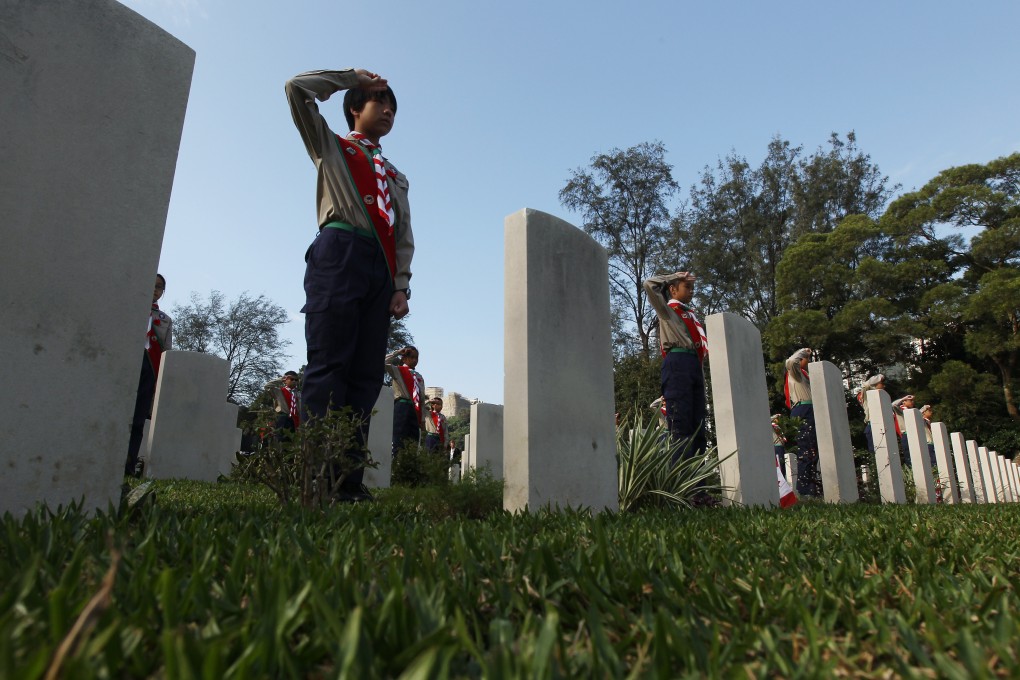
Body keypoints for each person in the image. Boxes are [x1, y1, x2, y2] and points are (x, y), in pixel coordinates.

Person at [286, 67, 413, 503]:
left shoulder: (395, 175)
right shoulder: (331, 146)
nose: (390, 110)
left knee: (363, 377)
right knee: (328, 368)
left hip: (380, 268)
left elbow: (403, 234)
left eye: (394, 105)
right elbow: (296, 89)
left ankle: (348, 483)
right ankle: (315, 478)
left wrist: (401, 285)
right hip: (339, 252)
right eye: (380, 101)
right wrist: (348, 77)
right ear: (355, 108)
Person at [642, 272, 708, 470]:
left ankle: (698, 486)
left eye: (692, 288)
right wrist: (672, 276)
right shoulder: (667, 310)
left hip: (694, 364)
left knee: (698, 425)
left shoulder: (690, 313)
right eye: (686, 287)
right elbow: (648, 284)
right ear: (673, 289)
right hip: (677, 362)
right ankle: (682, 481)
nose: (691, 291)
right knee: (681, 423)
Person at [126, 274, 172, 477]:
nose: (155, 289)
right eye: (152, 284)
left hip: (149, 369)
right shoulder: (127, 307)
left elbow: (166, 351)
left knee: (137, 420)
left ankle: (127, 465)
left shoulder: (164, 320)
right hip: (127, 364)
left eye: (159, 287)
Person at [784, 348, 820, 497]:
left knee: (813, 451)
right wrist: (801, 352)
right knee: (805, 450)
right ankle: (805, 489)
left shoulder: (804, 375)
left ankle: (812, 487)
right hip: (803, 409)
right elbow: (790, 361)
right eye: (807, 358)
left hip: (810, 410)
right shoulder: (795, 373)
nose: (809, 361)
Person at [385, 346, 425, 457]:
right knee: (398, 438)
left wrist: (422, 420)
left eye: (416, 357)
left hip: (414, 409)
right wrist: (398, 352)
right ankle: (396, 464)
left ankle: (409, 466)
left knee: (413, 441)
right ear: (404, 358)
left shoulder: (419, 376)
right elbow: (383, 361)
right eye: (411, 357)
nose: (414, 360)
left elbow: (421, 399)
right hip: (401, 406)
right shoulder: (398, 370)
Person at [265, 370, 302, 435]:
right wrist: (281, 379)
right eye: (292, 379)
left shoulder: (298, 394)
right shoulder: (279, 391)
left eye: (296, 380)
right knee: (282, 440)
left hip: (295, 420)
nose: (294, 381)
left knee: (294, 442)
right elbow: (267, 386)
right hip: (283, 418)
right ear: (286, 380)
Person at [856, 373, 885, 454]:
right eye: (881, 383)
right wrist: (880, 377)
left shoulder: (879, 396)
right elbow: (865, 385)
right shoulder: (866, 396)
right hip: (872, 425)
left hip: (880, 425)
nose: (884, 386)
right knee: (877, 453)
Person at [891, 394, 915, 466]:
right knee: (908, 455)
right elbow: (893, 405)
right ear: (904, 402)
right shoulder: (901, 409)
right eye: (910, 401)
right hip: (906, 434)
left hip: (913, 434)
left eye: (913, 401)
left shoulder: (912, 411)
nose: (912, 402)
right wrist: (903, 398)